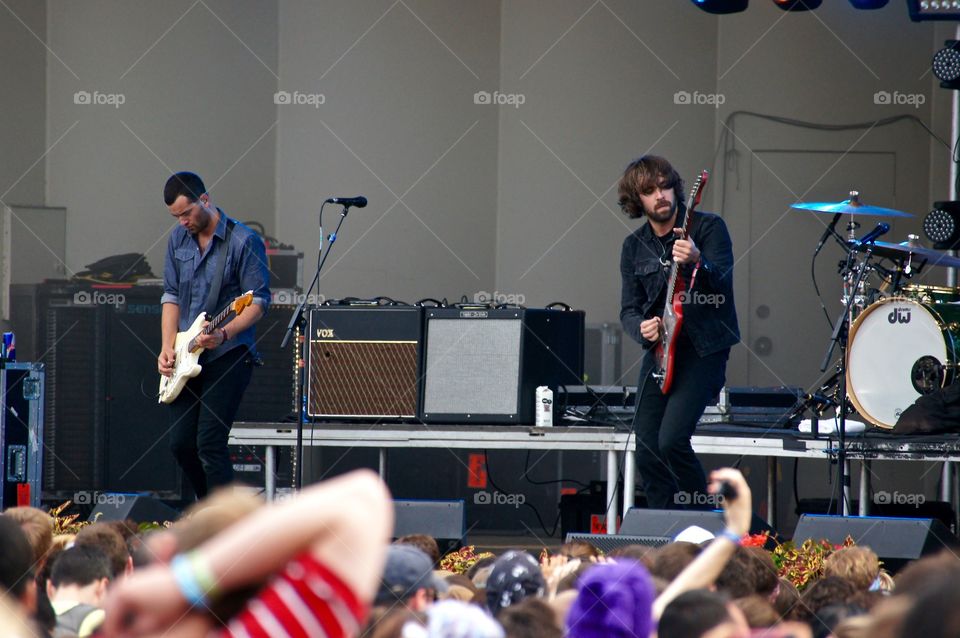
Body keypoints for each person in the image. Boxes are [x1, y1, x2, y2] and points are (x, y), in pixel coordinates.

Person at [617, 155, 739, 509]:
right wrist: (642, 328)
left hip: (703, 349)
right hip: (660, 352)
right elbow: (628, 308)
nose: (660, 195)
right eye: (649, 190)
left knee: (671, 440)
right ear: (636, 200)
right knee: (647, 448)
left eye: (665, 186)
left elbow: (724, 282)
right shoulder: (633, 246)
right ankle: (662, 528)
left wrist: (699, 260)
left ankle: (707, 517)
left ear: (677, 188)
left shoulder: (709, 228)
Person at [157, 171, 270, 503]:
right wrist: (167, 346)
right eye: (176, 217)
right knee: (180, 444)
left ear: (204, 200)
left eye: (186, 214)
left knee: (209, 442)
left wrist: (223, 332)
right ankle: (211, 510)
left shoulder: (243, 241)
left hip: (229, 354)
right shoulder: (177, 241)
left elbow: (258, 302)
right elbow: (171, 297)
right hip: (187, 351)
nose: (182, 223)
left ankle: (228, 525)